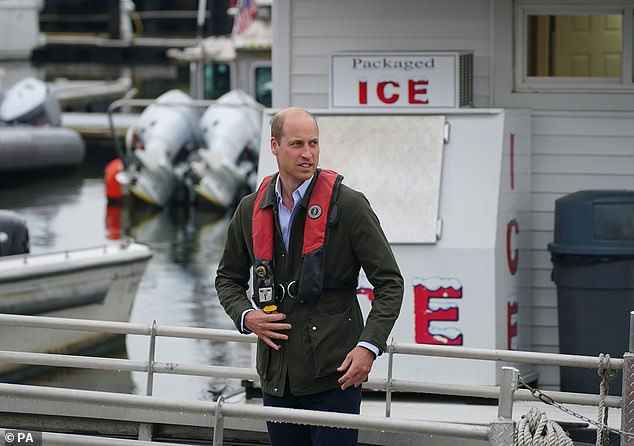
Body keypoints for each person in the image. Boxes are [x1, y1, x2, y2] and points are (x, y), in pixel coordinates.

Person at [215, 106, 403, 446]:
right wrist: (247, 316)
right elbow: (227, 278)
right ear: (274, 146)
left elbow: (390, 283)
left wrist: (369, 346)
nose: (308, 154)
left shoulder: (350, 205)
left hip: (336, 375)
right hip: (277, 376)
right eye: (297, 144)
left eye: (313, 144)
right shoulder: (249, 209)